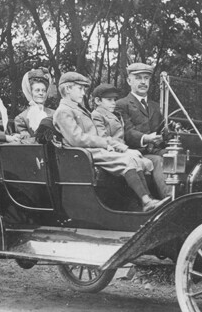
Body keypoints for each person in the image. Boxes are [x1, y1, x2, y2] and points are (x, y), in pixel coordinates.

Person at [53, 72, 165, 212]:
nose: (83, 93)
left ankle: (147, 201)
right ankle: (146, 201)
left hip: (93, 150)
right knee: (128, 161)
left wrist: (109, 145)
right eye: (80, 89)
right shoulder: (63, 111)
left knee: (134, 160)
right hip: (83, 153)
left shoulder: (77, 109)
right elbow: (77, 139)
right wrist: (105, 144)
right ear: (68, 89)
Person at [115, 62, 169, 198]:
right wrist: (146, 138)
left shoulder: (156, 106)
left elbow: (162, 131)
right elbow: (127, 132)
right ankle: (170, 200)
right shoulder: (122, 104)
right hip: (135, 153)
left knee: (178, 156)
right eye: (138, 78)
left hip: (156, 150)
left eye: (146, 78)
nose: (143, 82)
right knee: (157, 160)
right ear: (129, 81)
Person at [91, 83, 154, 177]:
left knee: (148, 163)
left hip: (120, 150)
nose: (113, 103)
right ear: (98, 101)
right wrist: (126, 150)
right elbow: (103, 138)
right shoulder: (97, 115)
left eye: (114, 100)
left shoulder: (116, 115)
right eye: (109, 100)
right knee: (141, 164)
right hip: (111, 151)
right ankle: (142, 192)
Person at [14, 68, 55, 138]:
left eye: (44, 90)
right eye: (37, 90)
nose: (41, 93)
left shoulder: (54, 114)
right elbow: (25, 143)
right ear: (30, 92)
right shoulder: (21, 118)